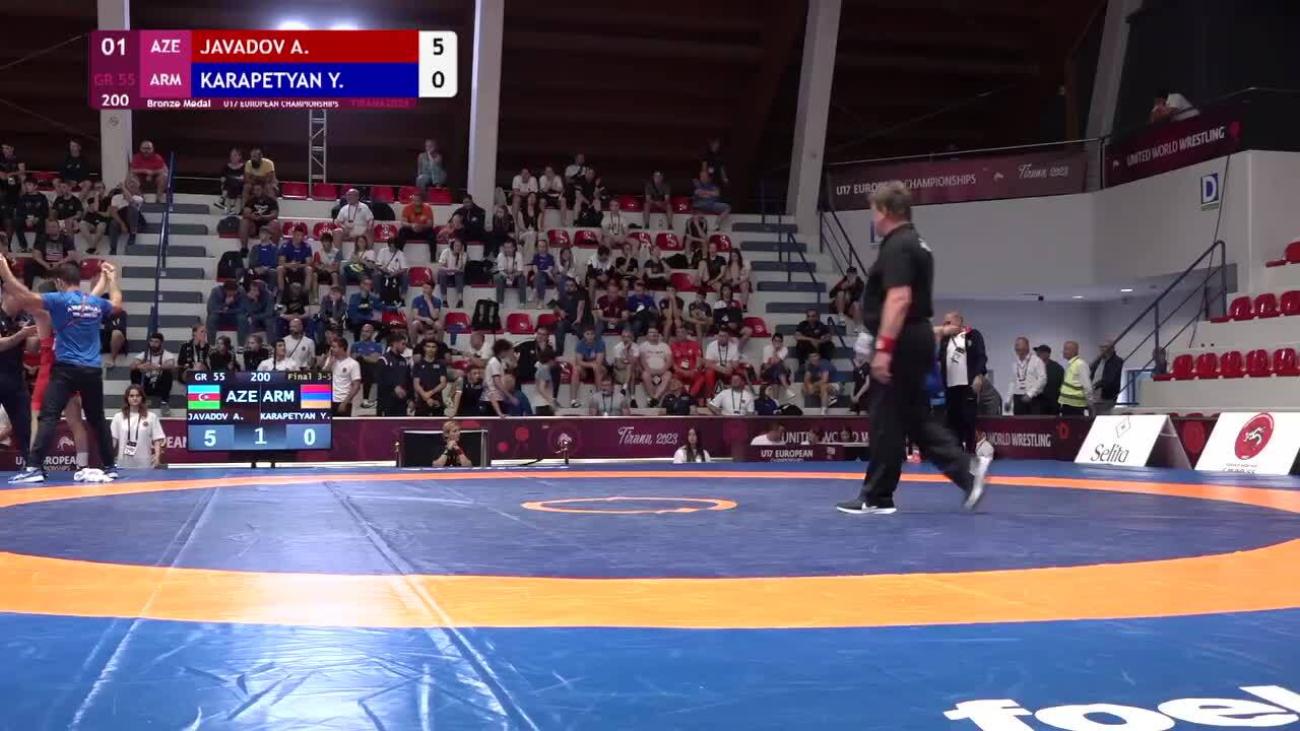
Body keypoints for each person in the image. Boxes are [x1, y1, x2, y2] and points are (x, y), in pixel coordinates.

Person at [834, 181, 989, 516]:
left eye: (874, 211)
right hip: (914, 336)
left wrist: (884, 347)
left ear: (886, 211)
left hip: (901, 339)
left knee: (885, 419)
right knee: (912, 418)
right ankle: (964, 471)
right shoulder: (917, 242)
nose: (873, 219)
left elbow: (899, 298)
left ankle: (877, 495)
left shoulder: (898, 245)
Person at [3, 258, 121, 483]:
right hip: (92, 370)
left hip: (66, 370)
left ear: (59, 282)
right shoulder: (93, 302)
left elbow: (25, 296)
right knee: (96, 418)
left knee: (48, 416)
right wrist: (111, 279)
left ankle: (34, 467)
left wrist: (4, 271)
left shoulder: (58, 300)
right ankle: (110, 466)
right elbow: (116, 303)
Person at [937, 311, 987, 453]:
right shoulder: (945, 339)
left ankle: (970, 449)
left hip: (968, 384)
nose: (945, 326)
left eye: (948, 323)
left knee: (968, 417)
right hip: (950, 385)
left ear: (958, 321)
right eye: (944, 323)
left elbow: (981, 356)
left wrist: (979, 375)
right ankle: (956, 449)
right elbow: (939, 358)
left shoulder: (973, 335)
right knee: (953, 418)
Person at [0, 293, 36, 469]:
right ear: (7, 296)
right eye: (18, 297)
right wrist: (21, 334)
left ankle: (30, 465)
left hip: (15, 379)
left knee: (24, 424)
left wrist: (37, 332)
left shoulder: (24, 318)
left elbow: (32, 348)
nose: (22, 301)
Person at [110, 384, 165, 469]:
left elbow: (157, 439)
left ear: (142, 398)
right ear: (127, 398)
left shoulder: (151, 417)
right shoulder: (118, 417)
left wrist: (157, 457)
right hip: (124, 462)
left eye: (138, 396)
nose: (135, 398)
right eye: (131, 396)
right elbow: (113, 440)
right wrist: (108, 457)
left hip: (145, 463)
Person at [129, 332, 176, 413]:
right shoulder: (145, 354)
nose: (153, 344)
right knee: (135, 372)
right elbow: (132, 366)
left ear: (161, 343)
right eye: (151, 341)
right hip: (147, 384)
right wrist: (140, 366)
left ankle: (164, 402)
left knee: (168, 373)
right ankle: (138, 402)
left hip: (159, 384)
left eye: (156, 342)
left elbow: (171, 365)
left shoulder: (167, 355)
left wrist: (157, 366)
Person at [1008, 336, 1046, 416]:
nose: (1016, 347)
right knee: (1018, 422)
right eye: (1016, 345)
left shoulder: (1036, 361)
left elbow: (1042, 379)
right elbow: (1012, 382)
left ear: (1027, 346)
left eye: (1019, 345)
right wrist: (1008, 400)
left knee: (1033, 422)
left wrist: (1030, 394)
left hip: (1033, 398)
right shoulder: (1014, 363)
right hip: (1018, 398)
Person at [324, 336, 361, 415]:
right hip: (328, 400)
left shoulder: (353, 364)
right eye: (331, 347)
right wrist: (330, 363)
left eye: (334, 347)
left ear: (342, 348)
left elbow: (356, 386)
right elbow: (322, 377)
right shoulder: (330, 360)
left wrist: (345, 403)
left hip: (343, 401)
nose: (331, 349)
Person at [1059, 340, 1093, 416]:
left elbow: (1087, 387)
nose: (1064, 352)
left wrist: (1090, 403)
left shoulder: (1080, 364)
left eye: (1066, 349)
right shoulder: (1071, 364)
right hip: (1068, 404)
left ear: (1074, 351)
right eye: (1064, 349)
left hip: (1076, 406)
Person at [1090, 339, 1124, 415]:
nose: (1102, 349)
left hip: (1107, 396)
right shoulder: (1098, 360)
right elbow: (1091, 373)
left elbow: (1110, 379)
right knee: (1092, 417)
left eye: (1105, 347)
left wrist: (1096, 385)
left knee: (1103, 416)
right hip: (1094, 395)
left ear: (1112, 348)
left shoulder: (1116, 361)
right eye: (1101, 347)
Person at [1035, 344, 1063, 415]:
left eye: (1040, 352)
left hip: (1053, 403)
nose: (1037, 354)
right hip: (1037, 403)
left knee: (1053, 421)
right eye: (1037, 353)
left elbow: (1062, 385)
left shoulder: (1057, 368)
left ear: (1047, 354)